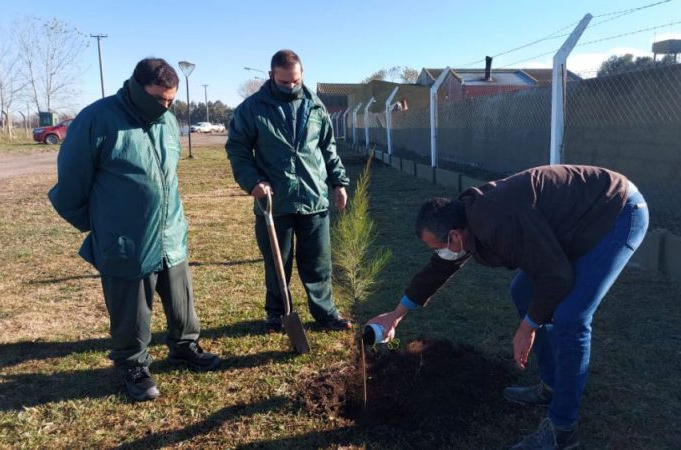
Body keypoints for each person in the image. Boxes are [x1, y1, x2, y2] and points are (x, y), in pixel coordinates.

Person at [365, 165, 649, 449]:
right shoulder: (468, 222)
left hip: (616, 212)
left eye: (437, 246)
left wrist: (527, 327)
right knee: (522, 290)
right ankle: (552, 385)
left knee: (571, 316)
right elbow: (437, 270)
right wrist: (395, 315)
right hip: (573, 222)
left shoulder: (498, 222)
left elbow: (556, 276)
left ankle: (562, 430)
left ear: (454, 236)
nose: (439, 253)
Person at [48, 58, 221, 402]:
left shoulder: (169, 122)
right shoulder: (97, 120)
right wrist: (104, 226)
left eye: (172, 101)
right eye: (160, 99)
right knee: (131, 310)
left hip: (169, 232)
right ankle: (133, 365)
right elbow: (69, 188)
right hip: (126, 240)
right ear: (137, 87)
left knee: (181, 300)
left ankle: (184, 346)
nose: (166, 107)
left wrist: (174, 222)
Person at [226, 49, 353, 333]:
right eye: (285, 82)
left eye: (296, 80)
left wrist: (338, 182)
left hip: (313, 198)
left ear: (302, 74)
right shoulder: (252, 109)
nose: (292, 86)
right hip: (274, 202)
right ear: (271, 75)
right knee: (277, 264)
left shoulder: (316, 106)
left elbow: (328, 148)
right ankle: (278, 313)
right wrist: (252, 182)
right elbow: (237, 150)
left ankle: (325, 314)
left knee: (318, 263)